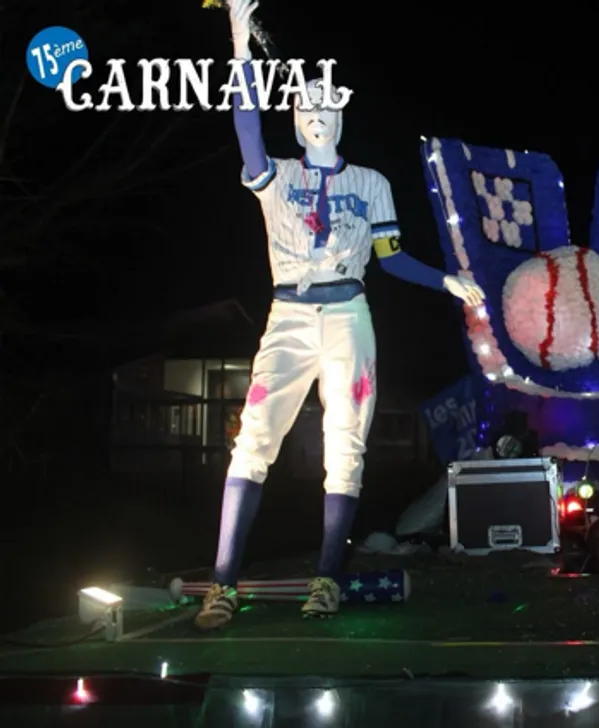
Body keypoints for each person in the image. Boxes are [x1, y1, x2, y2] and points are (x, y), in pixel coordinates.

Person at [195, 0, 485, 631]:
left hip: (349, 313)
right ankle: (223, 584)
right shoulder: (274, 177)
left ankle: (325, 578)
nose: (317, 115)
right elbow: (246, 128)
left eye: (327, 106)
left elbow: (391, 257)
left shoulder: (374, 184)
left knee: (345, 444)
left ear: (342, 114)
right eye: (307, 108)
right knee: (253, 440)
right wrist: (240, 43)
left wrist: (446, 281)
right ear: (296, 121)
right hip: (289, 315)